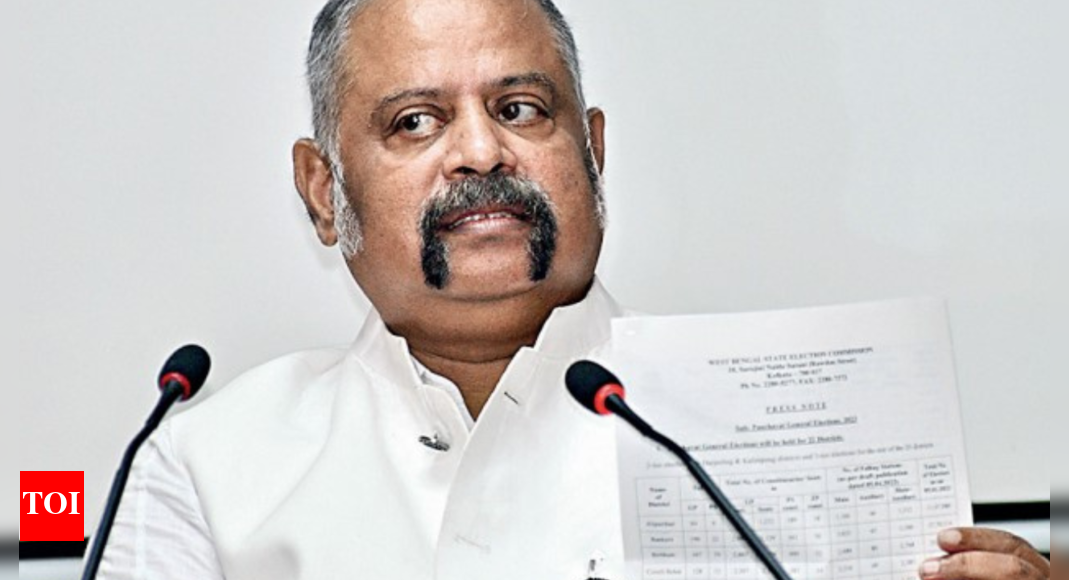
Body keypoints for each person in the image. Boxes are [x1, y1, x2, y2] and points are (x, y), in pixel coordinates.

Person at [97, 0, 1050, 579]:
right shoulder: (204, 464)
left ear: (591, 155)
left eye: (520, 109)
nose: (480, 152)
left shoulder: (781, 433)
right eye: (416, 121)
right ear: (322, 191)